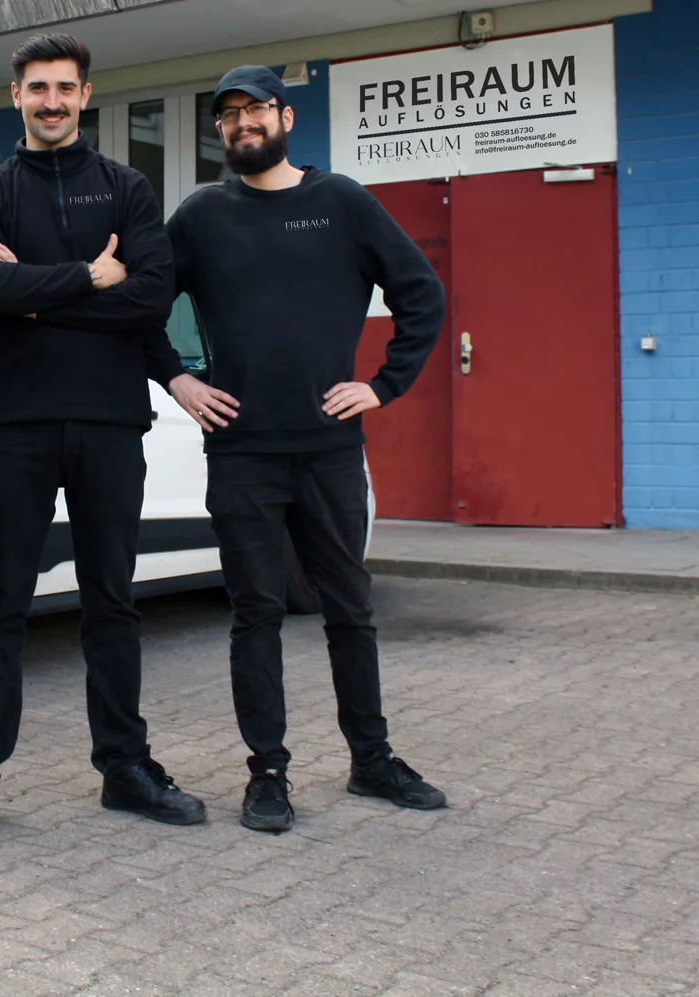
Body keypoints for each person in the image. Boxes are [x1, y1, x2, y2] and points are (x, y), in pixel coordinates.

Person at [0, 32, 206, 848]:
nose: (51, 100)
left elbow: (151, 297)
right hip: (17, 423)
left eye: (65, 87)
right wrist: (86, 275)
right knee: (0, 605)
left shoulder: (125, 189)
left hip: (112, 420)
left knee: (111, 602)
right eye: (37, 87)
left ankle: (126, 766)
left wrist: (32, 294)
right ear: (16, 96)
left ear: (86, 96)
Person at [147, 65, 447, 834]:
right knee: (256, 613)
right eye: (228, 116)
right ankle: (267, 772)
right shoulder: (201, 216)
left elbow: (421, 291)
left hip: (328, 448)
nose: (242, 124)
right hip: (242, 450)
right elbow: (141, 305)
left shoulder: (341, 202)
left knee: (350, 607)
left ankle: (371, 760)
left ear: (284, 115)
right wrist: (179, 379)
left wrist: (382, 386)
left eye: (254, 110)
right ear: (221, 132)